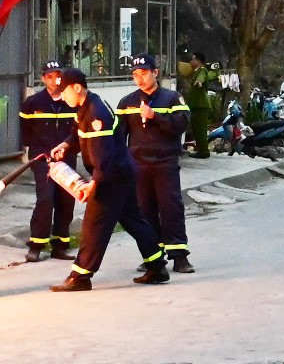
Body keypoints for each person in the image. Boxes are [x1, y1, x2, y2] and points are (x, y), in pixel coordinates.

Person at [47, 68, 167, 292]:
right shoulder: (85, 107)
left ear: (77, 88)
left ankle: (81, 276)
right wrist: (66, 144)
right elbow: (77, 132)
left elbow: (104, 155)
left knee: (94, 225)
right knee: (134, 219)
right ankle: (157, 265)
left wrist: (95, 184)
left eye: (64, 92)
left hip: (112, 176)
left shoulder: (96, 114)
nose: (61, 97)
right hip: (121, 172)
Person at [117, 55, 194, 274]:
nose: (139, 79)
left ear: (155, 73)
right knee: (144, 210)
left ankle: (179, 256)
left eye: (143, 74)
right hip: (138, 165)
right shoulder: (127, 102)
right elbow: (118, 136)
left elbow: (181, 125)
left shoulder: (171, 99)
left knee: (171, 207)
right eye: (135, 75)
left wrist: (155, 117)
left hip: (165, 162)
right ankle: (153, 256)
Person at [19, 61, 78, 262]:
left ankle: (60, 245)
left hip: (67, 157)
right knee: (45, 199)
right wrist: (36, 151)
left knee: (66, 200)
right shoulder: (33, 103)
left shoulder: (72, 101)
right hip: (42, 157)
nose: (55, 80)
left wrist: (68, 148)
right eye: (50, 76)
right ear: (43, 78)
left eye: (59, 75)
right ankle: (36, 244)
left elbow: (78, 131)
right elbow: (25, 130)